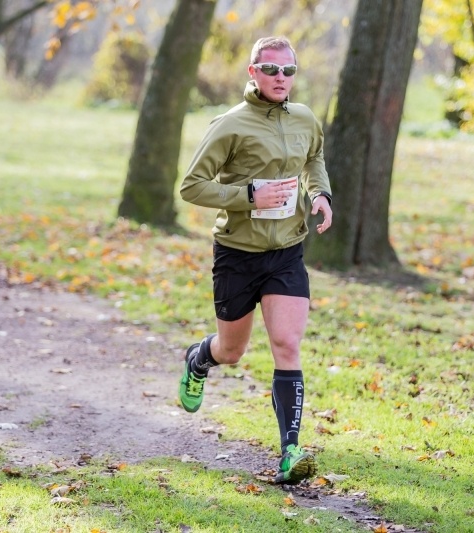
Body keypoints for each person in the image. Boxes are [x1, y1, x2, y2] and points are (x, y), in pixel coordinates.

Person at [178, 36, 333, 484]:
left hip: (286, 252)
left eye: (289, 71)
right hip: (238, 255)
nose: (281, 78)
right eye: (271, 70)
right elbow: (192, 186)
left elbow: (314, 158)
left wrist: (320, 193)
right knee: (233, 350)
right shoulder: (229, 125)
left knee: (287, 345)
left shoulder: (305, 119)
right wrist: (250, 196)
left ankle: (290, 451)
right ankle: (198, 359)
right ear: (253, 72)